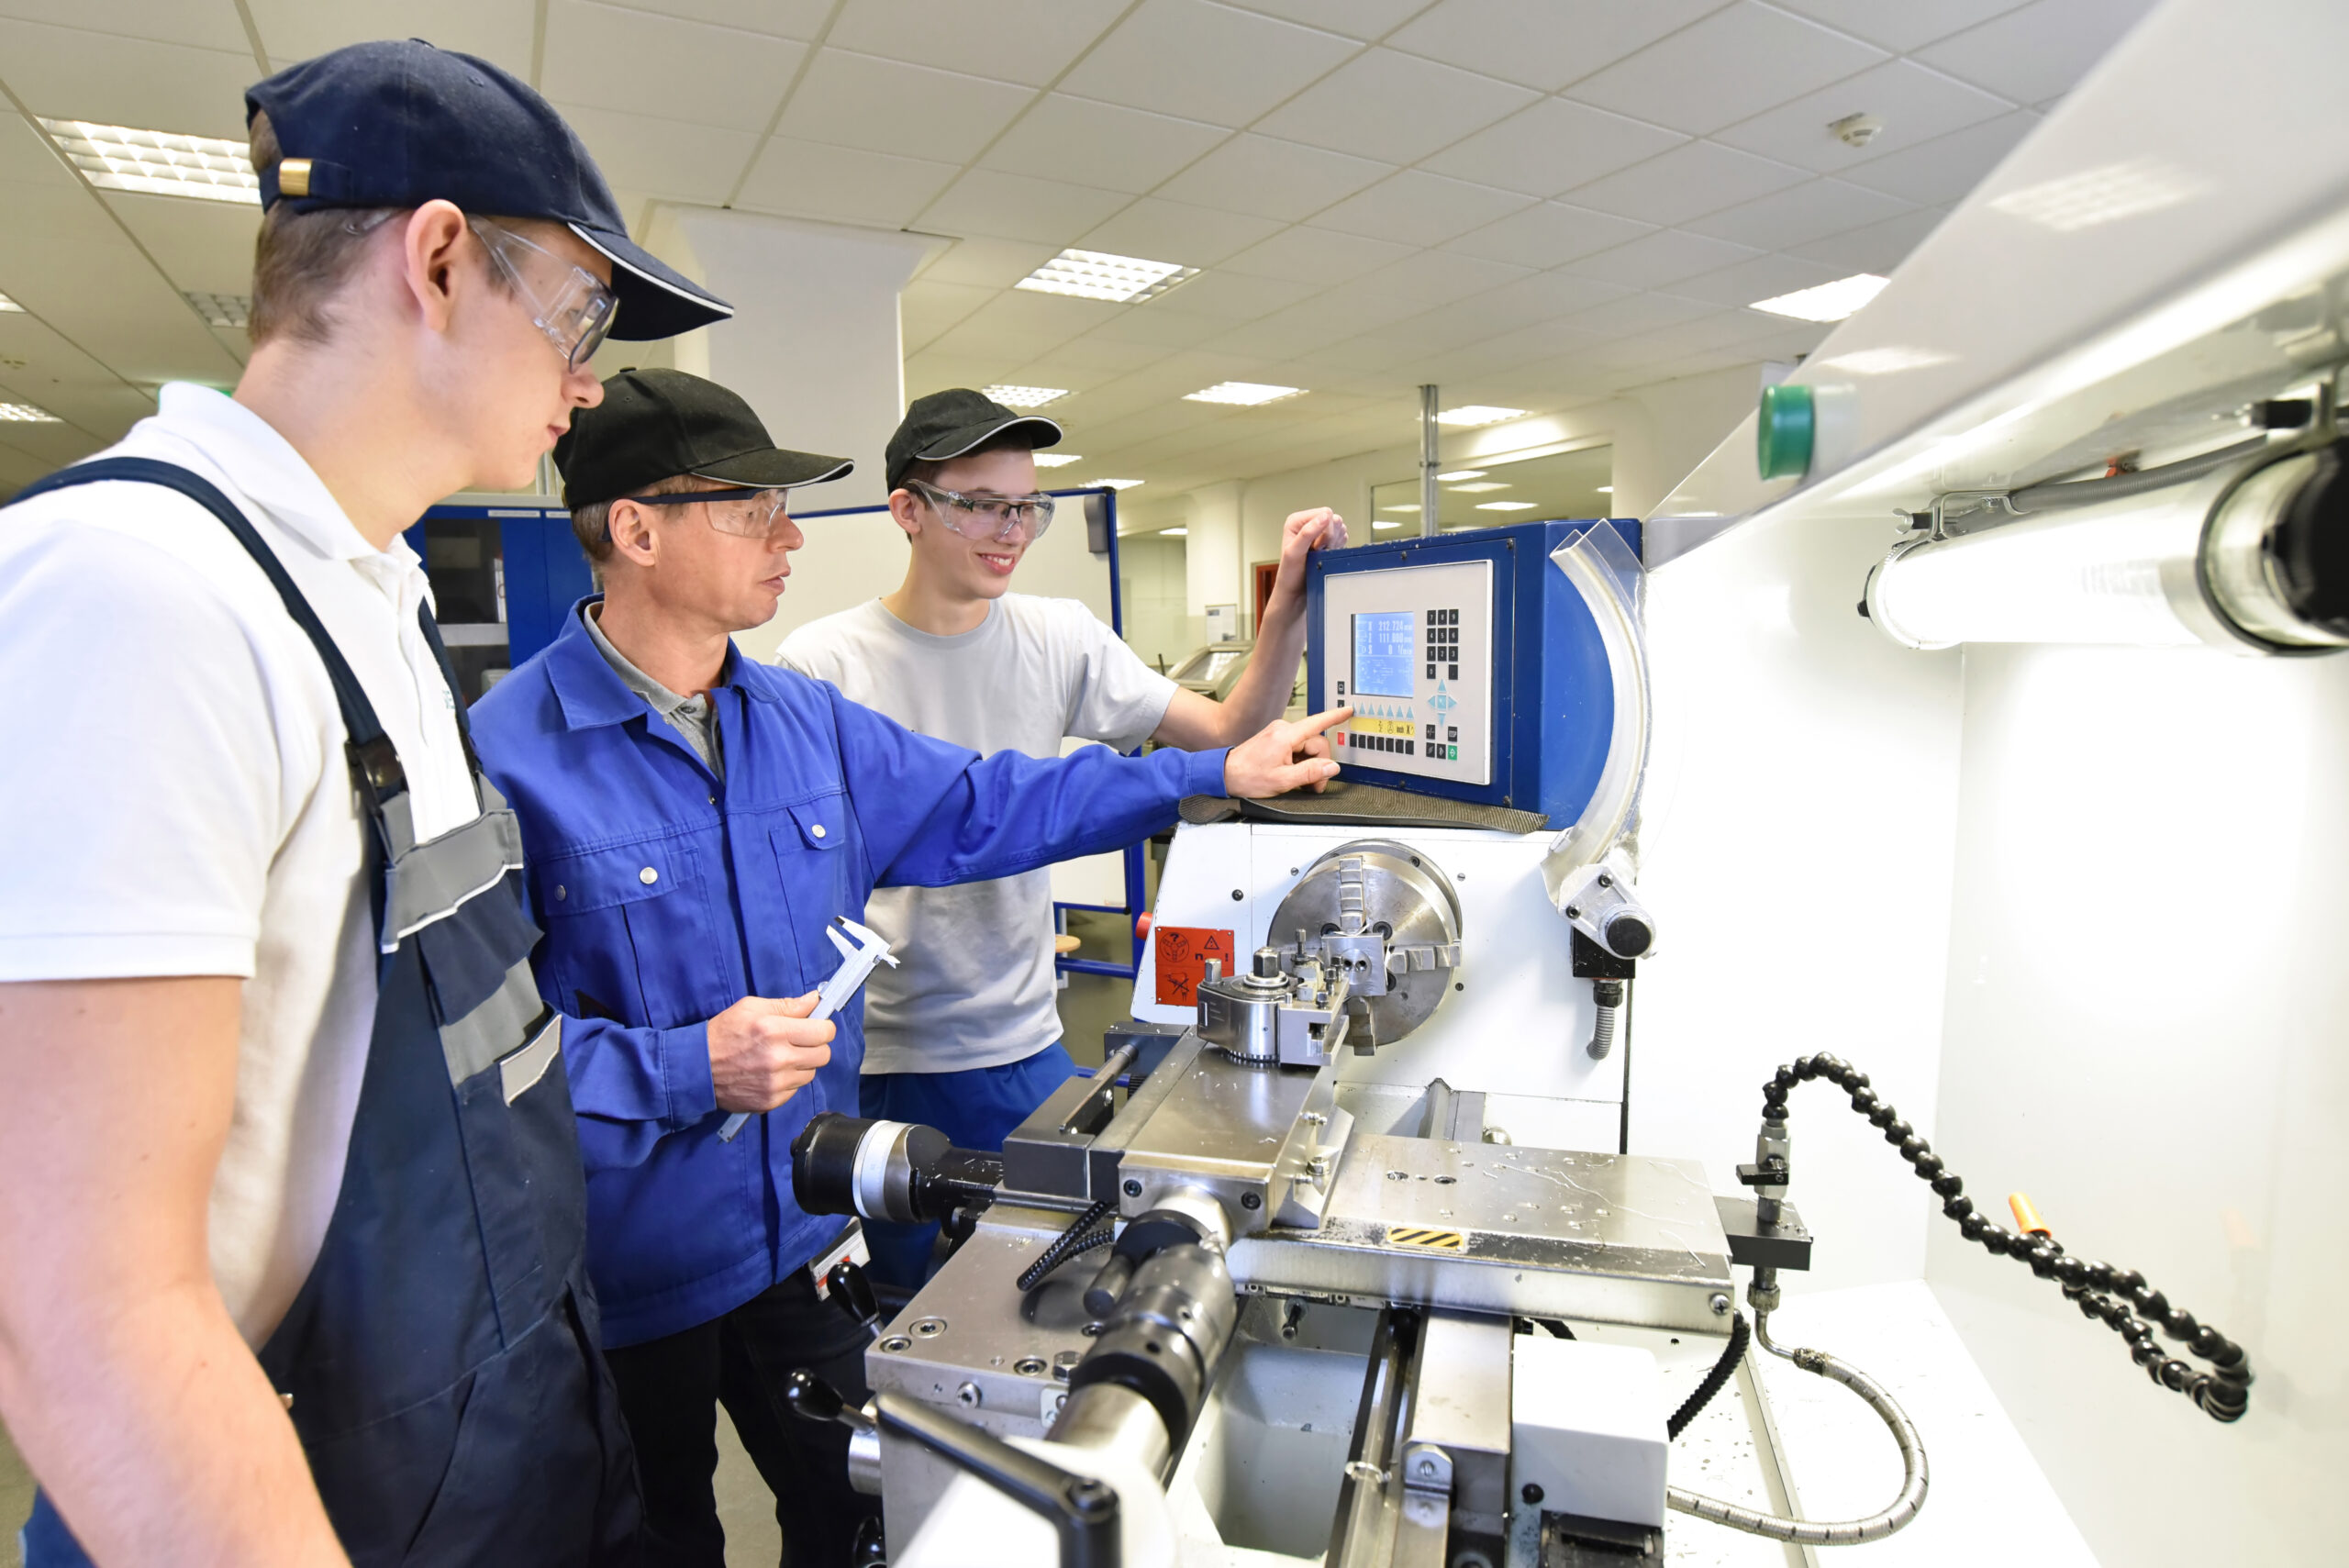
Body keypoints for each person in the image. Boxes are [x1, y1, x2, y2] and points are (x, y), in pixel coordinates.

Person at [0, 39, 734, 1568]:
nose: (591, 376)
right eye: (582, 310)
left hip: (483, 1433)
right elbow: (82, 1313)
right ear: (443, 258)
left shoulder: (373, 598)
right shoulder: (139, 592)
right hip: (266, 1479)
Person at [463, 366, 1347, 1566]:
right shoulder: (505, 755)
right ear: (635, 529)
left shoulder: (797, 719)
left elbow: (994, 802)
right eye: (751, 511)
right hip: (626, 1271)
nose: (787, 537)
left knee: (869, 1507)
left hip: (801, 1230)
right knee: (654, 1537)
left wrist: (1204, 774)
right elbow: (472, 1065)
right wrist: (686, 1064)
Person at [775, 387, 1347, 1282]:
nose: (1009, 529)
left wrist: (1289, 610)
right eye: (979, 504)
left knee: (1053, 1283)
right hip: (881, 1055)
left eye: (1025, 507)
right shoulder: (822, 665)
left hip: (1020, 1041)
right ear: (907, 510)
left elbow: (1227, 738)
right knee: (887, 1301)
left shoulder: (1058, 637)